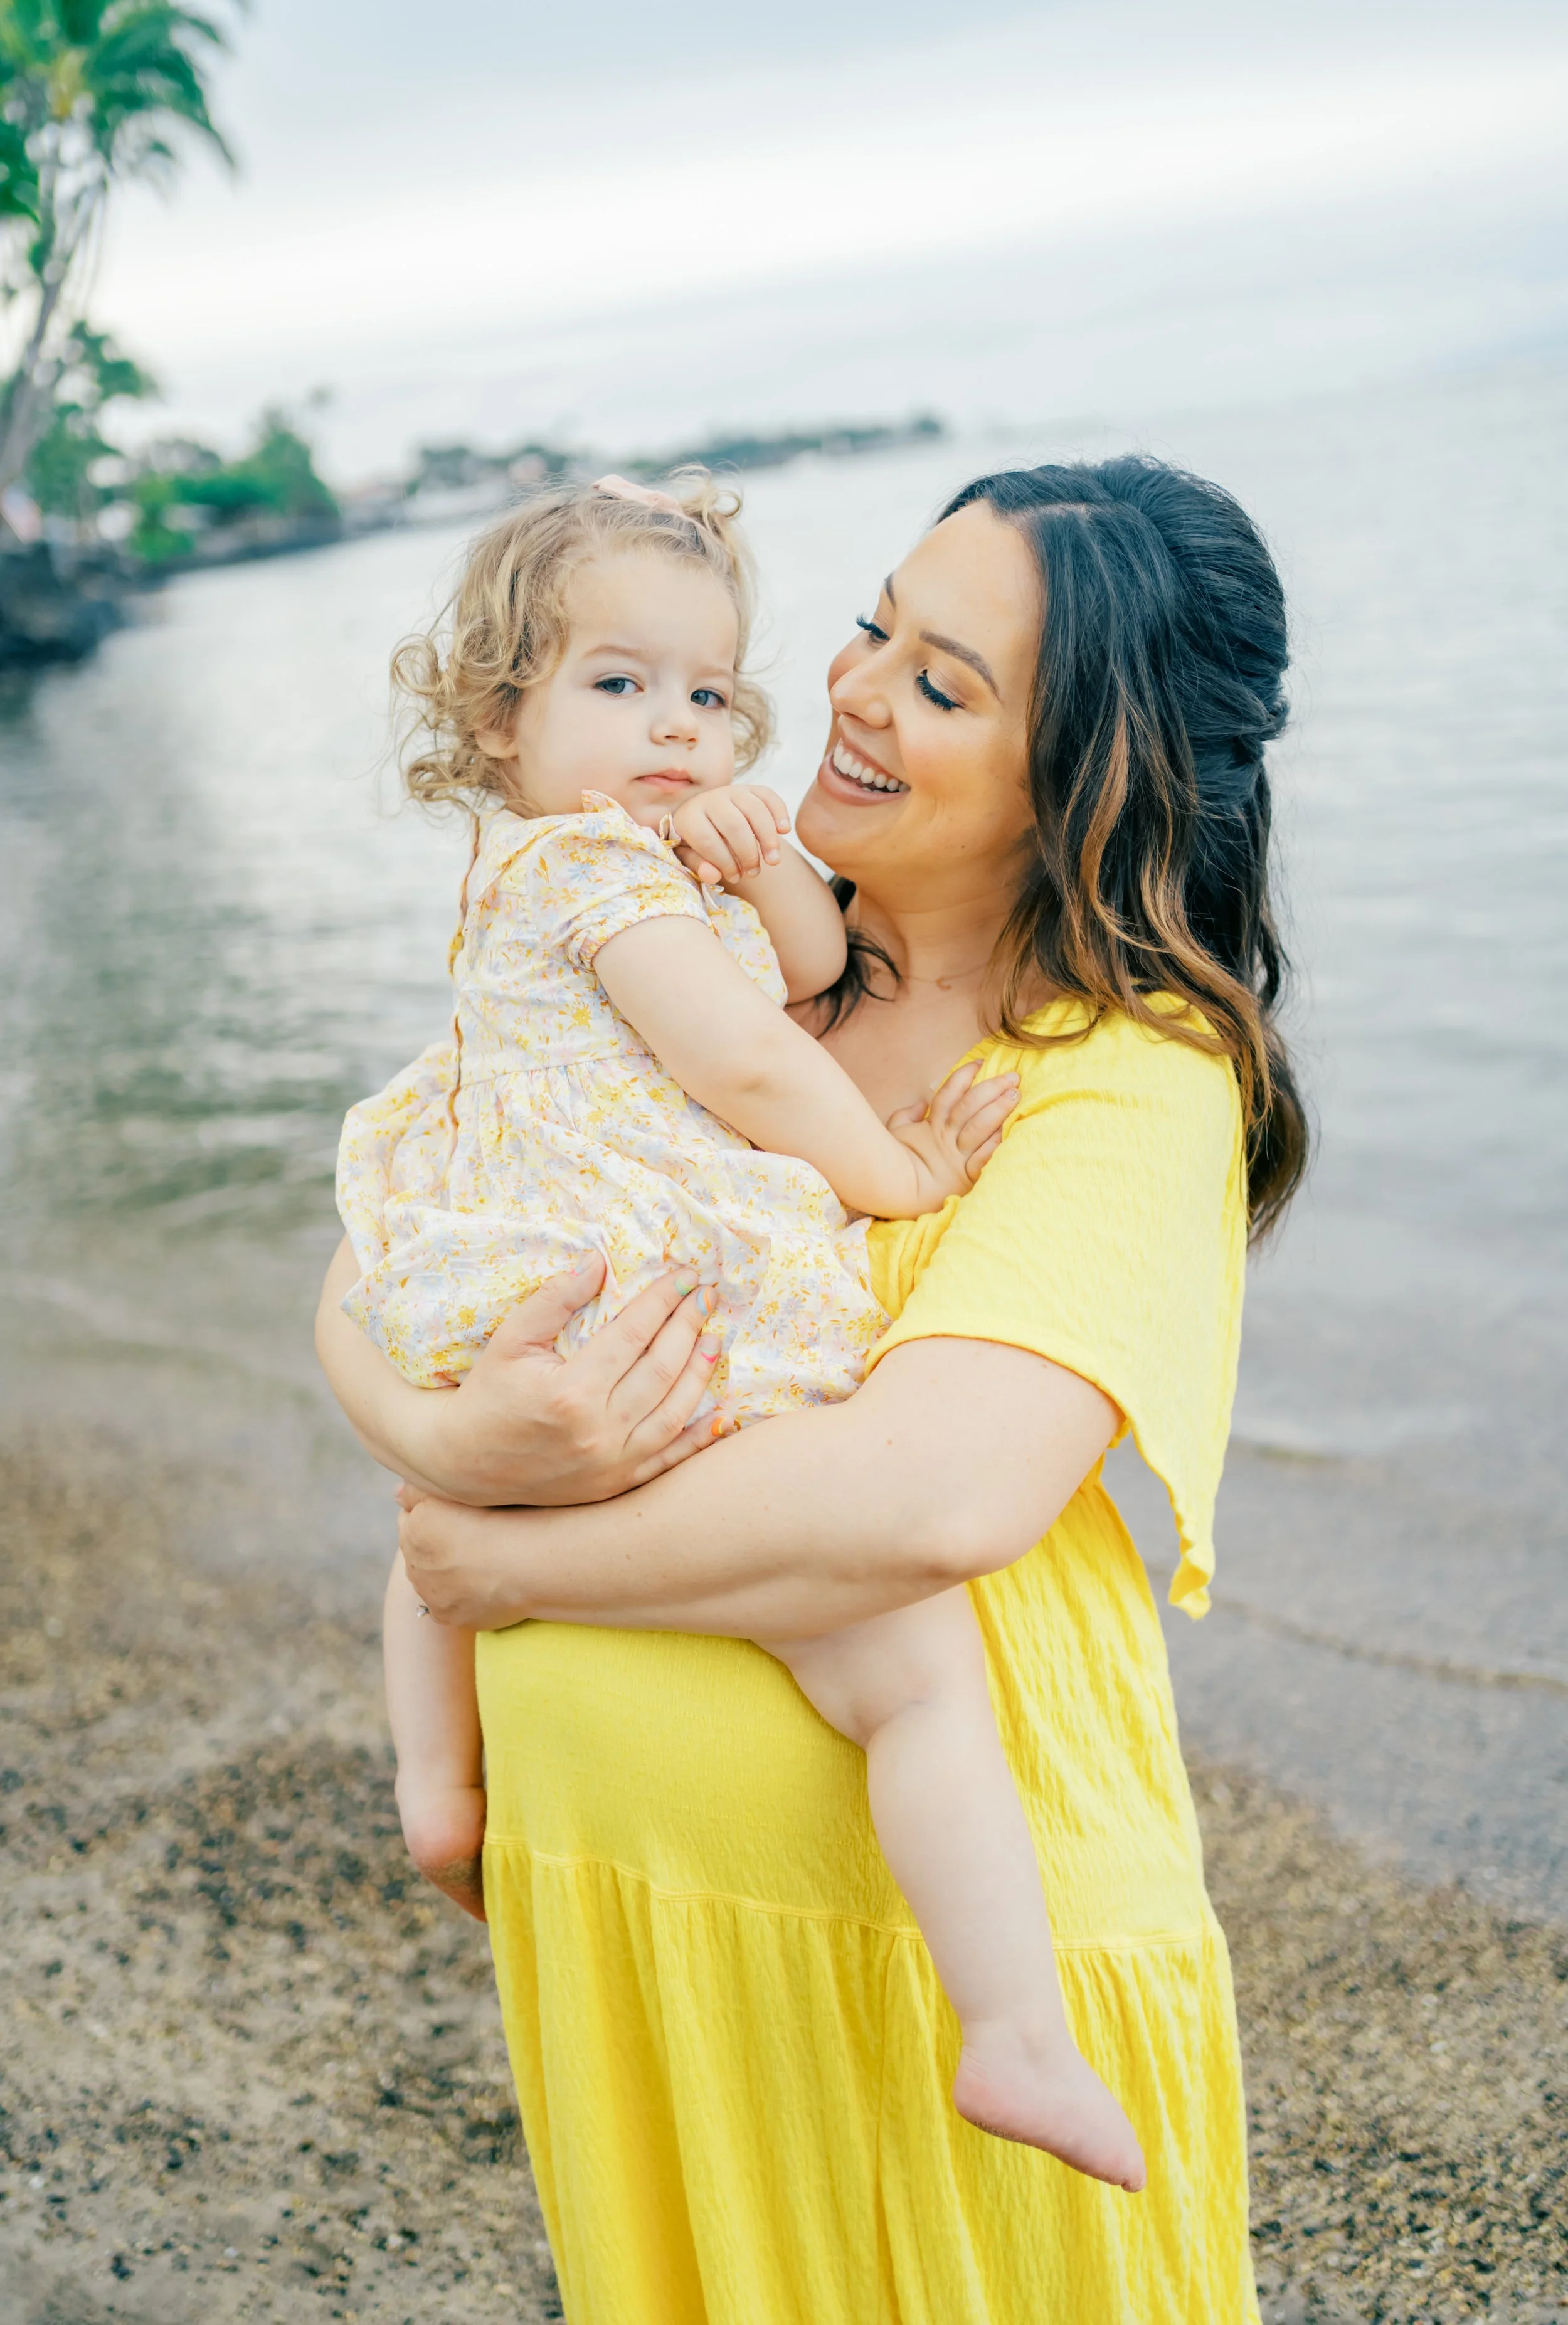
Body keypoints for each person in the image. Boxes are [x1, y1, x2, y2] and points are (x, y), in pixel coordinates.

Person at [317, 454, 1309, 2324]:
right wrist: (456, 1443)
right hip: (644, 1935)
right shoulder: (719, 973)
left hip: (928, 1970)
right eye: (870, 624)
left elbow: (933, 1504)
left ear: (1084, 775)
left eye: (941, 683)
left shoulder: (1120, 1070)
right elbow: (395, 1248)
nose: (849, 689)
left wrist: (498, 1563)